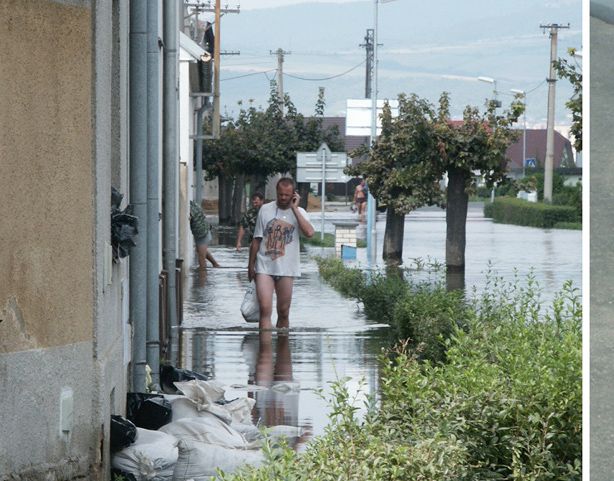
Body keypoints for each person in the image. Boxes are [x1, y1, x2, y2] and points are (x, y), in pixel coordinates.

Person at [248, 178, 314, 330]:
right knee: (265, 309)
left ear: (294, 195)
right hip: (264, 267)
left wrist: (295, 209)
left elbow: (310, 233)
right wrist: (250, 266)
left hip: (287, 269)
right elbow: (256, 240)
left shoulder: (300, 213)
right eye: (280, 194)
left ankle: (282, 348)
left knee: (283, 312)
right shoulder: (265, 210)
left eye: (287, 195)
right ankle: (265, 351)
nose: (283, 198)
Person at [189, 200, 220, 274]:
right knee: (201, 251)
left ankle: (202, 278)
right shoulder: (192, 204)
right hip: (204, 230)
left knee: (201, 258)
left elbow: (189, 217)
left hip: (202, 233)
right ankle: (215, 264)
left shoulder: (189, 208)